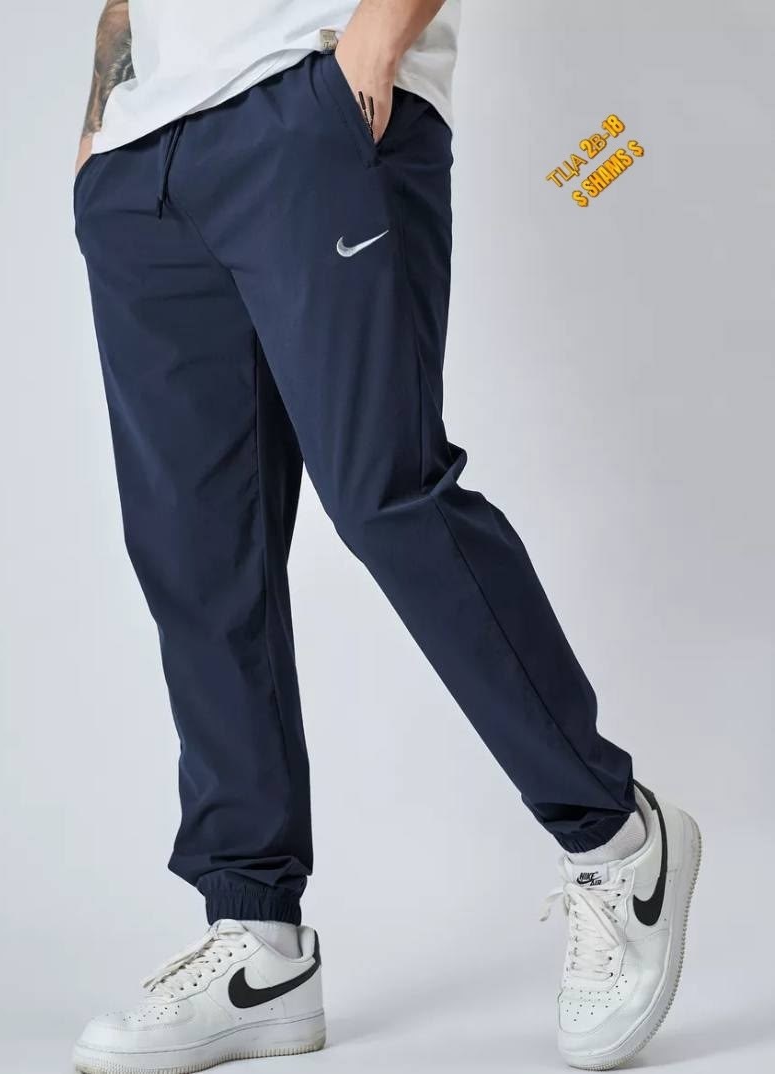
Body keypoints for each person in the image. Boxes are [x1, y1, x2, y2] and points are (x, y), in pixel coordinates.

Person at [71, 3, 701, 1071]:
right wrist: (99, 125)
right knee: (197, 554)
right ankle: (258, 938)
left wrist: (376, 39)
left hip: (309, 99)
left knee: (387, 496)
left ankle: (617, 837)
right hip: (143, 163)